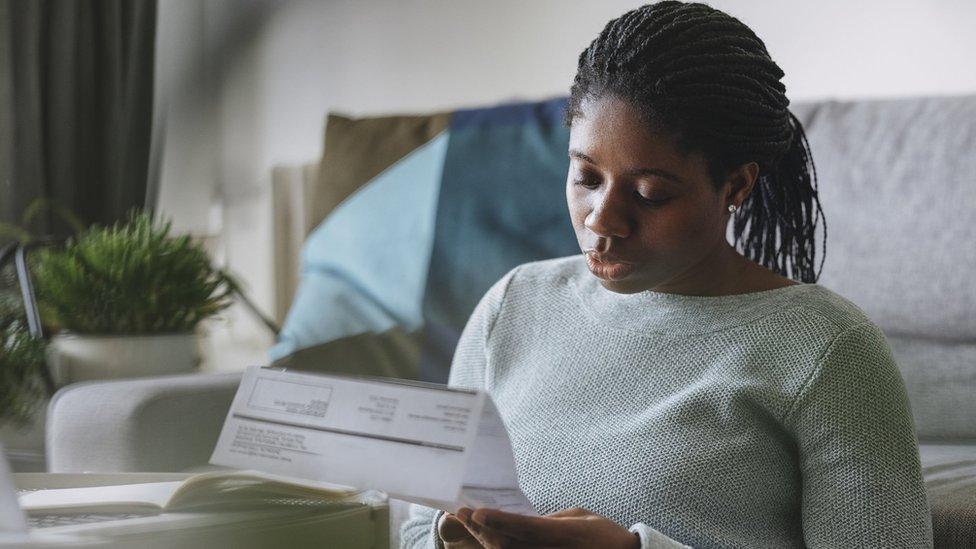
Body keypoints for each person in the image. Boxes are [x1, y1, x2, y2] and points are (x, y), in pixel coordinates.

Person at [400, 1, 933, 547]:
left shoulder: (827, 349)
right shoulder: (513, 305)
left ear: (736, 186)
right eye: (586, 177)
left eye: (649, 193)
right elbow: (417, 528)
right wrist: (452, 539)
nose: (601, 220)